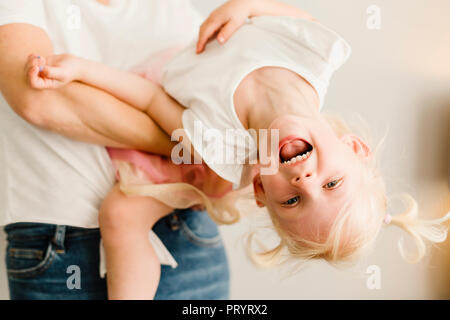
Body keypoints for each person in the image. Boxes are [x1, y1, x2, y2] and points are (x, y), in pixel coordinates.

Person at [26, 0, 450, 300]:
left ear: (262, 192)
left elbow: (152, 100)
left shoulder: (218, 144)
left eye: (294, 200)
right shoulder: (320, 55)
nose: (304, 180)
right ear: (355, 147)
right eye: (332, 183)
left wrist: (82, 70)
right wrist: (247, 6)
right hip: (178, 69)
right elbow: (287, 15)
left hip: (182, 140)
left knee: (120, 215)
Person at [0, 0, 229, 300]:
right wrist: (191, 147)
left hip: (186, 228)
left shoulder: (171, 8)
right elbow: (40, 98)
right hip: (64, 241)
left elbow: (217, 111)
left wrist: (204, 147)